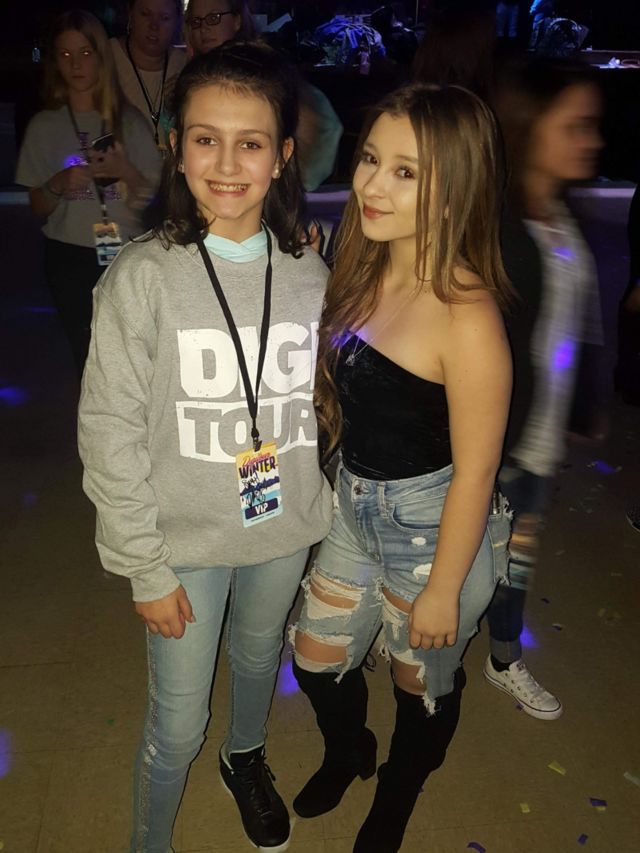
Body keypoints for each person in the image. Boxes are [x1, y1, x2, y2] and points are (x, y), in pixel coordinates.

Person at [77, 41, 333, 853]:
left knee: (259, 660)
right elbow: (108, 430)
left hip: (280, 526)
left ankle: (245, 756)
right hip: (180, 540)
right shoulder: (144, 276)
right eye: (205, 139)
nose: (227, 163)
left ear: (282, 155)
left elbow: (328, 401)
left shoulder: (311, 272)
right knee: (177, 723)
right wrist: (142, 565)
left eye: (250, 142)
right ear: (176, 145)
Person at [289, 83, 514, 853]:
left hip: (432, 527)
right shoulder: (360, 263)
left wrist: (444, 588)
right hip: (354, 502)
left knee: (420, 689)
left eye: (405, 171)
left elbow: (477, 473)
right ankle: (350, 749)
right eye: (370, 159)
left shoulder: (468, 315)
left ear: (456, 188)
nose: (372, 184)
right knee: (314, 660)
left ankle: (396, 792)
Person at [483, 59, 606, 719]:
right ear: (531, 127)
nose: (592, 140)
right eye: (576, 125)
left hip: (540, 439)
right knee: (461, 553)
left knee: (517, 560)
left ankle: (503, 657)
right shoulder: (495, 227)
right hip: (496, 440)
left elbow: (575, 323)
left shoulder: (560, 215)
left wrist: (582, 405)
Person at [16, 9, 162, 378]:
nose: (76, 64)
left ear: (101, 56)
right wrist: (57, 184)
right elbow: (38, 207)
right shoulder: (43, 126)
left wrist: (125, 171)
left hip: (124, 251)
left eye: (85, 52)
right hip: (68, 256)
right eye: (65, 54)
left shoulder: (129, 122)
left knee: (131, 353)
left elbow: (153, 202)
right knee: (87, 355)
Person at [110, 0, 186, 151]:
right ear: (130, 14)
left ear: (177, 21)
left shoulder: (184, 65)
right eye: (145, 14)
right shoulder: (107, 58)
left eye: (164, 18)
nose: (154, 26)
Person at [184, 0, 256, 57]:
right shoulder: (191, 69)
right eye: (196, 21)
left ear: (237, 21)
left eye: (213, 18)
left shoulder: (254, 67)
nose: (203, 29)